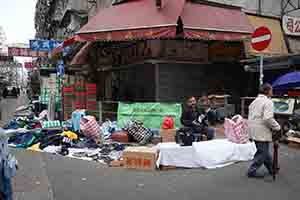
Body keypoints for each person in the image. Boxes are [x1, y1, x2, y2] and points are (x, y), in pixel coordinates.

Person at [247, 83, 281, 178]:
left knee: (264, 151)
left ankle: (272, 168)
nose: (272, 92)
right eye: (271, 90)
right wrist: (277, 127)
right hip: (261, 130)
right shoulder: (268, 102)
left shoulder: (254, 101)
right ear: (267, 91)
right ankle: (252, 171)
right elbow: (268, 118)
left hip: (253, 129)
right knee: (262, 152)